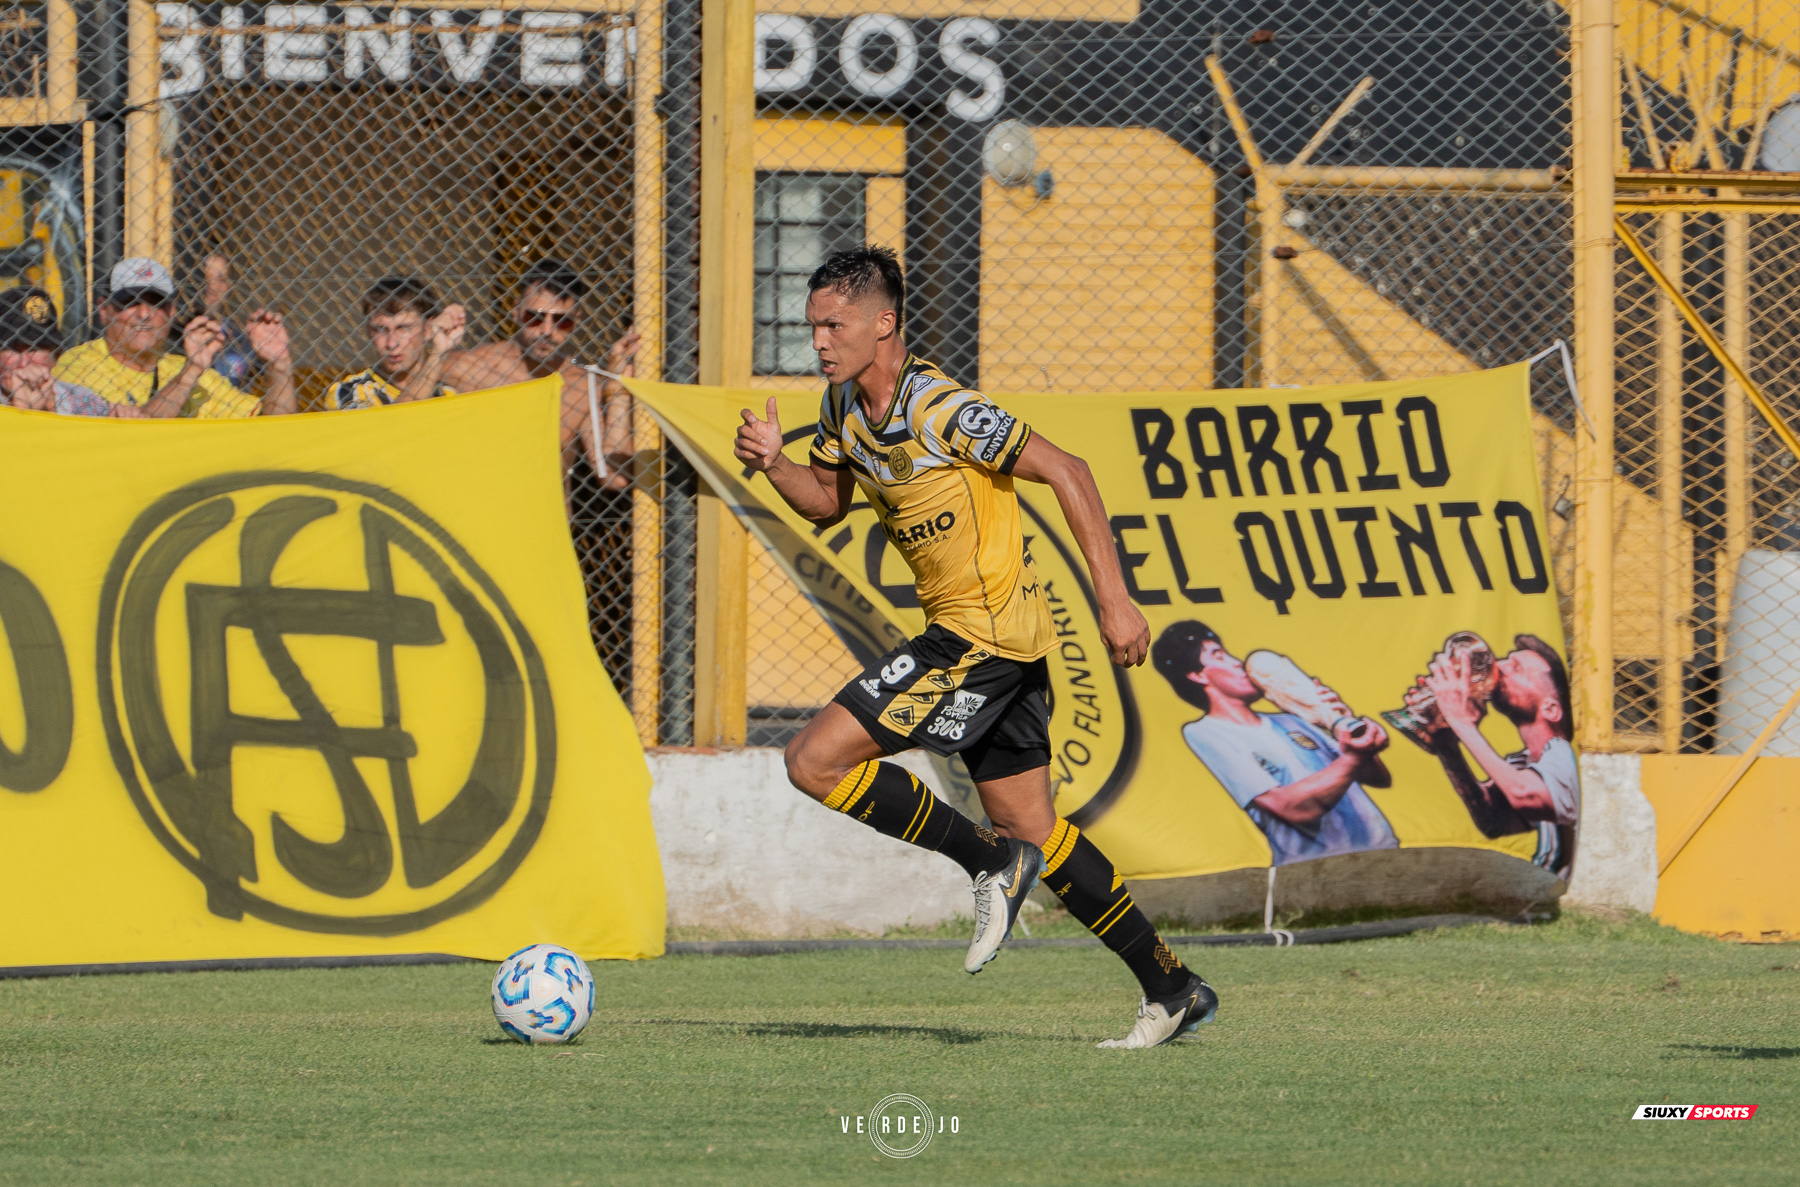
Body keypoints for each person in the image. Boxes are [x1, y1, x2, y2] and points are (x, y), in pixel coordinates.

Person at [733, 245, 1216, 1050]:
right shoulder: (843, 410)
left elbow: (1069, 469)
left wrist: (1115, 599)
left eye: (834, 324)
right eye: (812, 325)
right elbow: (825, 502)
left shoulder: (942, 408)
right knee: (1040, 833)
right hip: (1002, 649)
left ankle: (985, 861)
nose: (818, 340)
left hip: (978, 638)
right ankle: (1172, 985)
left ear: (883, 323)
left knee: (813, 761)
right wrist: (775, 462)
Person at [1151, 622, 1397, 866]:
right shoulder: (1206, 733)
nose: (1238, 662)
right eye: (1219, 655)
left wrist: (1340, 723)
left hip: (1384, 852)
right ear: (1197, 674)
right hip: (1319, 872)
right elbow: (1292, 808)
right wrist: (1353, 758)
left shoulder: (1292, 719)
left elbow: (1378, 778)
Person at [440, 258, 639, 487]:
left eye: (561, 321)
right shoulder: (468, 367)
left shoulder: (583, 387)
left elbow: (616, 478)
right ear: (516, 311)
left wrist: (617, 387)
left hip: (548, 520)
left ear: (576, 320)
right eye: (534, 317)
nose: (546, 330)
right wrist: (435, 351)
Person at [1419, 634, 1579, 880]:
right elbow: (1492, 820)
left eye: (1516, 667)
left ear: (1550, 709)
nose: (1499, 666)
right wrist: (1445, 741)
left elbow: (1525, 795)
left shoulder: (1562, 753)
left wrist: (1460, 720)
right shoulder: (1523, 763)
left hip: (1545, 892)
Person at [53, 258, 295, 418]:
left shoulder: (185, 368)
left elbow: (273, 427)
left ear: (171, 313)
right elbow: (130, 441)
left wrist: (279, 363)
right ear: (104, 310)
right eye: (130, 302)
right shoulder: (80, 364)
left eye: (156, 304)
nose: (144, 314)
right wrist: (191, 372)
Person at [0, 286, 140, 417]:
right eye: (13, 349)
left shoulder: (82, 400)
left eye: (36, 349)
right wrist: (24, 411)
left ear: (57, 355)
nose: (25, 362)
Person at [328, 276, 466, 410]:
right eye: (380, 329)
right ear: (369, 332)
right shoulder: (350, 391)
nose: (392, 343)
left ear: (428, 329)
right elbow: (393, 427)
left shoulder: (448, 394)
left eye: (403, 328)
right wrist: (438, 355)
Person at [195, 252, 263, 391]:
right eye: (205, 278)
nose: (212, 287)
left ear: (230, 286)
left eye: (221, 280)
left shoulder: (242, 341)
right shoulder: (171, 335)